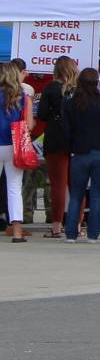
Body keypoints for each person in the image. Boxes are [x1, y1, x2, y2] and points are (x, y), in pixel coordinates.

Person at [62, 68, 100, 243]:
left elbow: (66, 131)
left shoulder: (71, 104)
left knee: (76, 195)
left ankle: (71, 233)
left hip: (79, 153)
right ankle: (93, 234)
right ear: (97, 83)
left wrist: (71, 147)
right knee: (96, 194)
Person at [38, 56, 77, 238]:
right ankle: (76, 225)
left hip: (55, 139)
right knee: (76, 184)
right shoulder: (78, 90)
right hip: (76, 140)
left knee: (57, 185)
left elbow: (42, 114)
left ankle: (56, 227)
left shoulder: (51, 88)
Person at [0, 62, 31, 242]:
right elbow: (29, 125)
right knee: (14, 187)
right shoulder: (23, 97)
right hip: (14, 145)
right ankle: (17, 231)